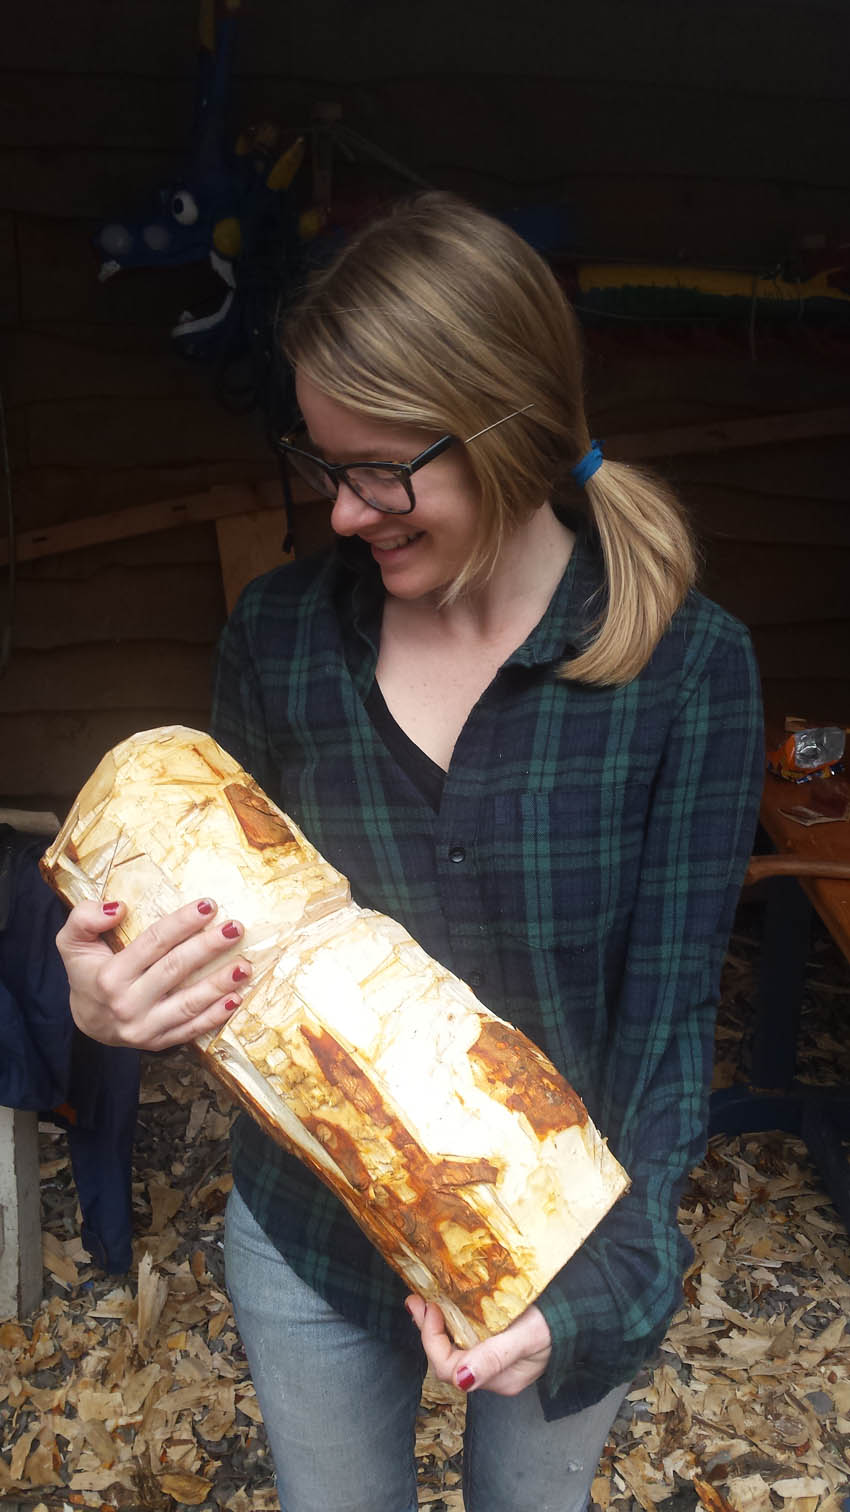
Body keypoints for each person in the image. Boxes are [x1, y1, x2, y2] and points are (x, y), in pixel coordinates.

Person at [57, 192, 764, 1512]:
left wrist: (611, 1291)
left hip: (555, 1243)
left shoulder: (685, 671)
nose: (340, 513)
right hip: (308, 1233)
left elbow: (668, 1029)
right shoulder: (278, 639)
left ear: (511, 429)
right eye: (322, 465)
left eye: (381, 471)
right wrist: (110, 998)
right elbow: (221, 947)